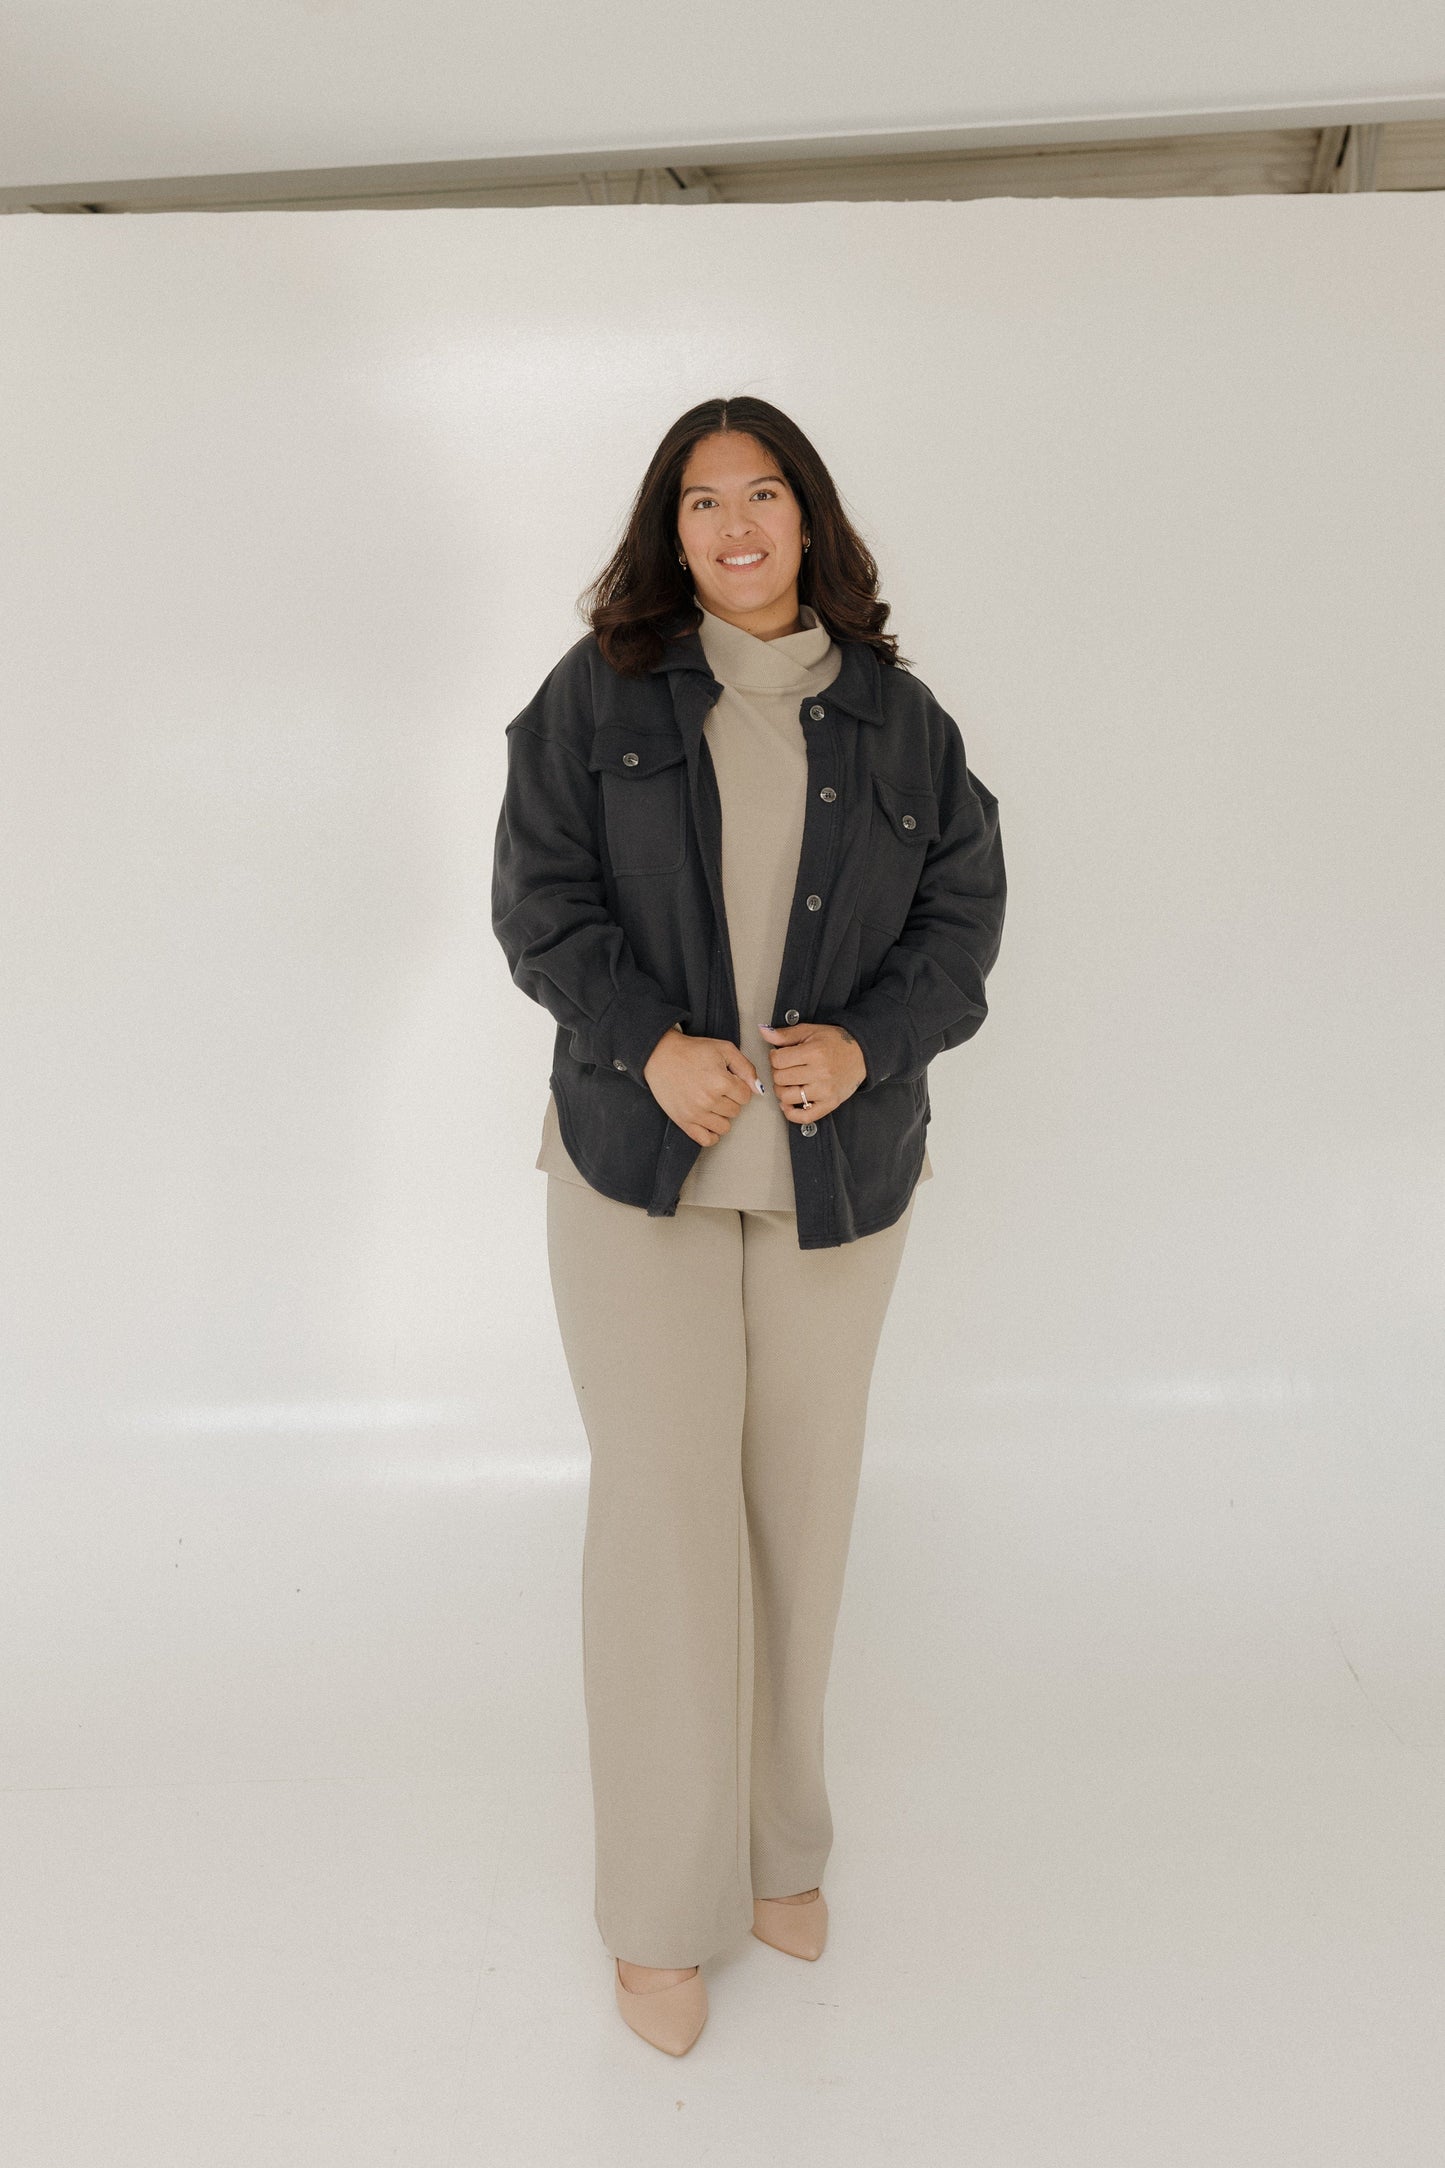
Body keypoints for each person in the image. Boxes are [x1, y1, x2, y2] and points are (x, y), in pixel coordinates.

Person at [491, 395, 1006, 2054]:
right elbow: (539, 901)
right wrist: (652, 1039)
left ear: (808, 520)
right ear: (669, 531)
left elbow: (963, 913)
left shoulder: (900, 723)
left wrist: (869, 1042)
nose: (734, 526)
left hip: (835, 1180)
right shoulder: (597, 697)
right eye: (701, 500)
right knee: (663, 1526)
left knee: (797, 1514)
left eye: (762, 493)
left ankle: (779, 1843)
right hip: (637, 1173)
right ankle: (659, 1901)